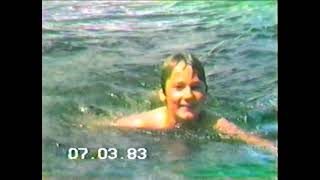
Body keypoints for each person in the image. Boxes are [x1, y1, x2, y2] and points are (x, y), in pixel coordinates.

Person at [93, 52, 277, 155]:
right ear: (164, 94)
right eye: (179, 87)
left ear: (206, 93)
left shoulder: (213, 123)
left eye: (196, 87)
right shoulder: (142, 124)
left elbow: (255, 141)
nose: (188, 95)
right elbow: (98, 127)